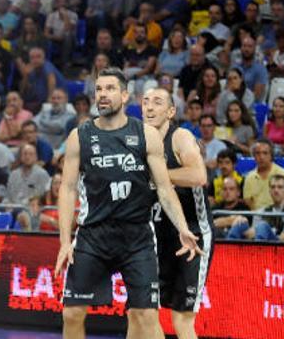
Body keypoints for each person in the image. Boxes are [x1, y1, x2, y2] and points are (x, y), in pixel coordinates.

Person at [56, 68, 200, 339]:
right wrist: (65, 241)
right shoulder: (80, 136)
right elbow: (66, 188)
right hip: (93, 235)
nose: (102, 95)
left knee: (146, 316)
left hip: (137, 237)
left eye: (110, 89)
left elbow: (165, 189)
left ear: (124, 95)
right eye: (98, 89)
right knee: (72, 312)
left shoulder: (146, 134)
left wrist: (182, 228)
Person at [142, 88, 211, 339]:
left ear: (171, 111)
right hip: (155, 235)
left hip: (191, 233)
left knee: (181, 320)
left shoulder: (180, 137)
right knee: (144, 313)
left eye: (157, 102)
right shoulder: (138, 142)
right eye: (145, 102)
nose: (149, 107)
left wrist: (158, 177)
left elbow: (198, 176)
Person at [227, 175, 284, 241]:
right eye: (273, 187)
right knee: (240, 223)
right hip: (261, 240)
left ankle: (259, 249)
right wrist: (242, 221)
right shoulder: (262, 211)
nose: (276, 190)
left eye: (280, 187)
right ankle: (228, 249)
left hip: (281, 246)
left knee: (262, 226)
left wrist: (267, 230)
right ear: (269, 191)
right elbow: (252, 234)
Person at [243, 139, 284, 210]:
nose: (261, 157)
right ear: (254, 156)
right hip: (257, 216)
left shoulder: (282, 173)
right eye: (258, 153)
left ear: (271, 155)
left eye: (265, 153)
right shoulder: (249, 177)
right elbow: (248, 200)